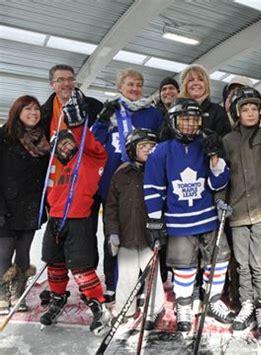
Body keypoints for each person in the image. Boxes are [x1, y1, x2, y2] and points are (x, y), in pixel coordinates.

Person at [144, 98, 234, 332]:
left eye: (194, 120)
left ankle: (212, 301)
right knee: (184, 266)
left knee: (219, 258)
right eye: (184, 120)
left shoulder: (206, 144)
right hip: (178, 223)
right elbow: (153, 187)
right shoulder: (161, 151)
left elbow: (218, 183)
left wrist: (216, 159)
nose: (189, 125)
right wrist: (155, 219)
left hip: (208, 219)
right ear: (173, 122)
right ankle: (183, 304)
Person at [40, 91, 110, 336]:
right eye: (60, 145)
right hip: (56, 222)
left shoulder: (91, 159)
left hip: (79, 220)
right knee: (54, 263)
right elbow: (51, 197)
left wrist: (79, 127)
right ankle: (58, 297)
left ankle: (97, 305)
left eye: (69, 142)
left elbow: (87, 143)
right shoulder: (58, 169)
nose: (66, 146)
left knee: (81, 267)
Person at [92, 68, 164, 301]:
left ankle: (144, 282)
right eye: (130, 84)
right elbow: (95, 142)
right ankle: (113, 281)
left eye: (138, 84)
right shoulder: (112, 110)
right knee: (114, 232)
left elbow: (161, 143)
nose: (134, 89)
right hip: (114, 181)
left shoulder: (152, 113)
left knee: (143, 233)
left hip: (144, 180)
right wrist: (102, 121)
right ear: (119, 87)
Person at [220, 87, 261, 338]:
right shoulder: (228, 140)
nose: (249, 113)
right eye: (244, 109)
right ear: (237, 113)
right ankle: (246, 303)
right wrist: (220, 201)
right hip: (237, 213)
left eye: (253, 109)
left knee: (259, 263)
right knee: (241, 264)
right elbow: (221, 176)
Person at [104, 128, 165, 331]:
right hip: (127, 236)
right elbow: (111, 207)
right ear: (132, 149)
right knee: (127, 275)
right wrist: (112, 232)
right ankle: (126, 309)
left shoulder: (159, 171)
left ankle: (154, 308)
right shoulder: (121, 174)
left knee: (153, 275)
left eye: (151, 146)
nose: (148, 150)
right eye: (143, 146)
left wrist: (162, 229)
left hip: (150, 235)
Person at [0, 96, 49, 314]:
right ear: (17, 111)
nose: (33, 112)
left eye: (36, 108)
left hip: (30, 206)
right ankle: (2, 294)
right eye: (27, 108)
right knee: (3, 252)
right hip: (5, 205)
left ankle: (18, 294)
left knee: (23, 253)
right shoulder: (4, 136)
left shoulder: (43, 141)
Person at [179, 64, 231, 137]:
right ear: (185, 85)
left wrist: (216, 142)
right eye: (191, 80)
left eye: (201, 80)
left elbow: (226, 139)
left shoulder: (217, 111)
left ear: (206, 84)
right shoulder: (175, 111)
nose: (196, 83)